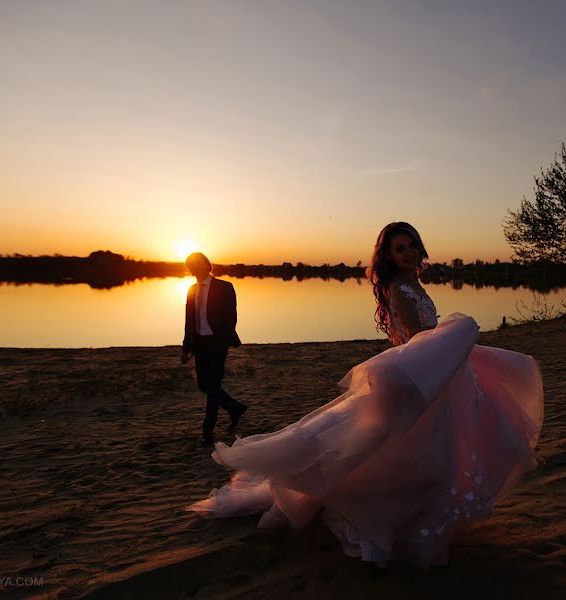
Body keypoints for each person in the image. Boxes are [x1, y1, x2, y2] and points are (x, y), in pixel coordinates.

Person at [187, 223, 543, 567]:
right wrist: (455, 333)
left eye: (411, 246)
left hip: (427, 374)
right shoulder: (400, 289)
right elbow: (419, 340)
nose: (407, 253)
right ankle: (390, 520)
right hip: (424, 375)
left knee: (424, 454)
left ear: (420, 248)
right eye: (399, 248)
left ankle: (419, 518)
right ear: (388, 255)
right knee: (413, 456)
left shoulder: (409, 284)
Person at [181, 252, 247, 445]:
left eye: (197, 263)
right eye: (190, 265)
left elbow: (231, 316)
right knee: (205, 384)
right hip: (200, 343)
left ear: (206, 264)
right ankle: (234, 408)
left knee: (212, 386)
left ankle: (207, 432)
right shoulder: (191, 289)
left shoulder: (225, 287)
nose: (194, 267)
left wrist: (223, 339)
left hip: (217, 343)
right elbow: (189, 322)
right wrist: (186, 347)